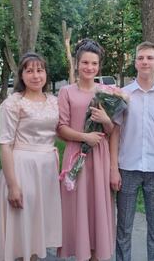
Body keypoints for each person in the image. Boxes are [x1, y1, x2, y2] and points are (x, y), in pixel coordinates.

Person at [110, 41, 154, 261]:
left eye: (149, 58)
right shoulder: (123, 94)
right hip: (127, 168)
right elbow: (115, 132)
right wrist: (114, 169)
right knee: (124, 228)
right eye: (141, 58)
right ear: (135, 63)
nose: (145, 61)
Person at [0, 52, 62, 261]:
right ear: (21, 75)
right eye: (29, 70)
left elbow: (64, 130)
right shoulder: (13, 103)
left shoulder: (55, 101)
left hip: (48, 171)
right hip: (22, 169)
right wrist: (13, 185)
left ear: (46, 74)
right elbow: (5, 144)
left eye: (40, 70)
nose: (35, 75)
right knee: (22, 224)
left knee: (37, 226)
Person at [57, 39, 115, 261]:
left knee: (97, 206)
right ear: (77, 63)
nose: (89, 68)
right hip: (76, 155)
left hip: (100, 155)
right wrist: (84, 137)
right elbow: (61, 128)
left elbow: (112, 131)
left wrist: (106, 120)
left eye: (94, 63)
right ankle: (80, 252)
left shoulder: (107, 92)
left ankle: (96, 255)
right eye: (85, 63)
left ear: (99, 65)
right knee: (78, 206)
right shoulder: (66, 92)